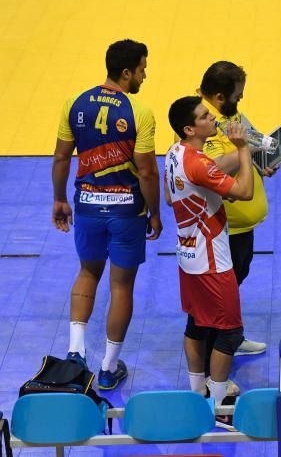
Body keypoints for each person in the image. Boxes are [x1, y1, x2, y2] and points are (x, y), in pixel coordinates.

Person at [52, 39, 161, 390]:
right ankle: (109, 368)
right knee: (121, 284)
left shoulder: (75, 103)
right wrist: (155, 213)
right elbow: (147, 172)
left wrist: (59, 199)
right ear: (127, 72)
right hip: (127, 210)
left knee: (87, 272)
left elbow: (61, 158)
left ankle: (75, 353)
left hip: (86, 205)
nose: (145, 75)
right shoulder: (139, 112)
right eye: (142, 69)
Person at [164, 96, 254, 417]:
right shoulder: (198, 163)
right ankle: (217, 407)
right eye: (205, 116)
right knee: (230, 332)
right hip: (212, 261)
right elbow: (245, 192)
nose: (212, 118)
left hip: (187, 255)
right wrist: (243, 148)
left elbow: (171, 192)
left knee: (196, 324)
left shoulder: (175, 153)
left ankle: (196, 393)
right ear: (190, 128)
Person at [197, 61, 275, 382]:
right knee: (216, 299)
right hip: (221, 230)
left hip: (242, 227)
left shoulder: (231, 116)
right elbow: (211, 167)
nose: (240, 102)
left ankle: (230, 341)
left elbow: (254, 142)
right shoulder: (200, 122)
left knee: (235, 285)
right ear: (218, 96)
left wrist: (262, 158)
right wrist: (245, 149)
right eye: (236, 96)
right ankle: (211, 368)